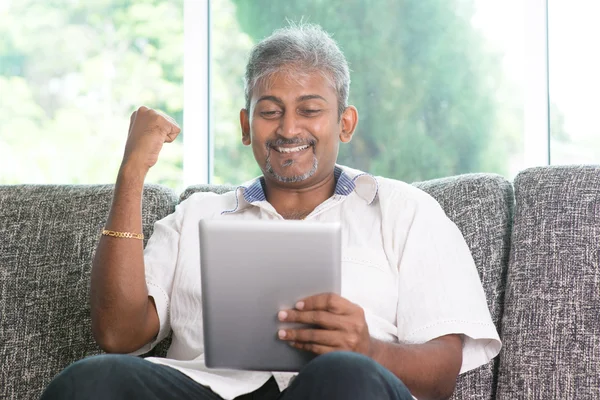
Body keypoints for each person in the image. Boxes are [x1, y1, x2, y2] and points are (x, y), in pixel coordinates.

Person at [41, 23, 501, 400]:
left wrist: (369, 350)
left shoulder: (406, 211)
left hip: (341, 390)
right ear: (246, 125)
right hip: (210, 392)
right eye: (270, 111)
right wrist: (131, 174)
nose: (288, 128)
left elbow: (442, 373)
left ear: (345, 122)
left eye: (309, 109)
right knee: (90, 380)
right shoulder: (197, 214)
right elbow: (119, 335)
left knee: (345, 374)